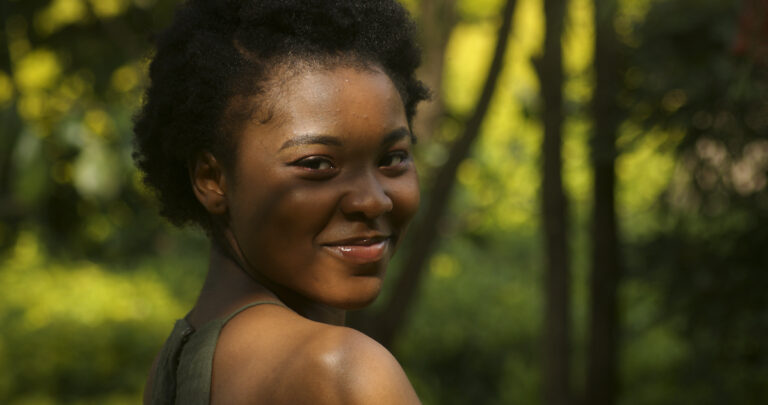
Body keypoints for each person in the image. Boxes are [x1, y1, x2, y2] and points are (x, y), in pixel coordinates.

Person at [132, 0, 429, 403]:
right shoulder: (342, 371)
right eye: (317, 164)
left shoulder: (173, 368)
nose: (373, 201)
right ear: (212, 178)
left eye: (392, 159)